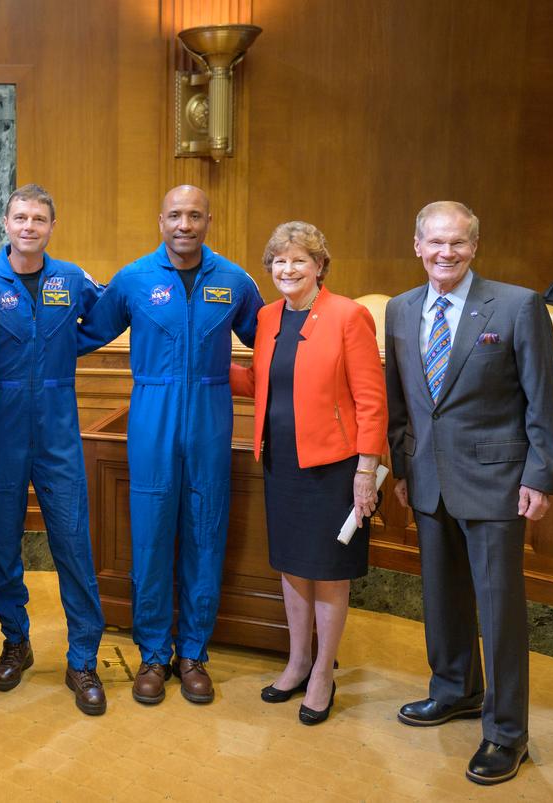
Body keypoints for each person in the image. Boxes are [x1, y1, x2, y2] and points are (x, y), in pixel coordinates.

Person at [385, 201, 553, 784]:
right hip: (428, 478)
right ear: (417, 245)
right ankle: (455, 688)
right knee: (442, 598)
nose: (446, 253)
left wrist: (541, 473)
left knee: (499, 610)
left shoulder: (516, 305)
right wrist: (402, 468)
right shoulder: (401, 309)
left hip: (497, 482)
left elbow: (543, 398)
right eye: (435, 242)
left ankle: (506, 732)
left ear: (474, 246)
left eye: (457, 243)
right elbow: (401, 400)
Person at [78, 185, 261, 706]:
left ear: (209, 221)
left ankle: (193, 653)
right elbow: (87, 333)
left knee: (206, 530)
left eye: (195, 215)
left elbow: (270, 341)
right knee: (152, 534)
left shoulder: (234, 280)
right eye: (176, 215)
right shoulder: (134, 278)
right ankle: (154, 653)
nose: (185, 224)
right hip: (152, 412)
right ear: (161, 220)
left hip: (210, 411)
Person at [229, 222, 387, 724]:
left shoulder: (348, 315)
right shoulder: (269, 315)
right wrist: (204, 361)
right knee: (292, 566)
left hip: (334, 468)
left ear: (320, 266)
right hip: (282, 462)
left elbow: (371, 398)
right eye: (279, 261)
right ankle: (296, 662)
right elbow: (261, 383)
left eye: (299, 260)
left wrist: (367, 468)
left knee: (328, 573)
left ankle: (323, 672)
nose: (288, 269)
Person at [0, 184, 108, 716]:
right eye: (20, 217)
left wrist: (69, 342)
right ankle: (15, 642)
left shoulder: (72, 279)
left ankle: (84, 657)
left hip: (57, 433)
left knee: (72, 542)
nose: (29, 226)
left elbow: (105, 319)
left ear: (52, 226)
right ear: (5, 222)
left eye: (39, 219)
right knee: (0, 546)